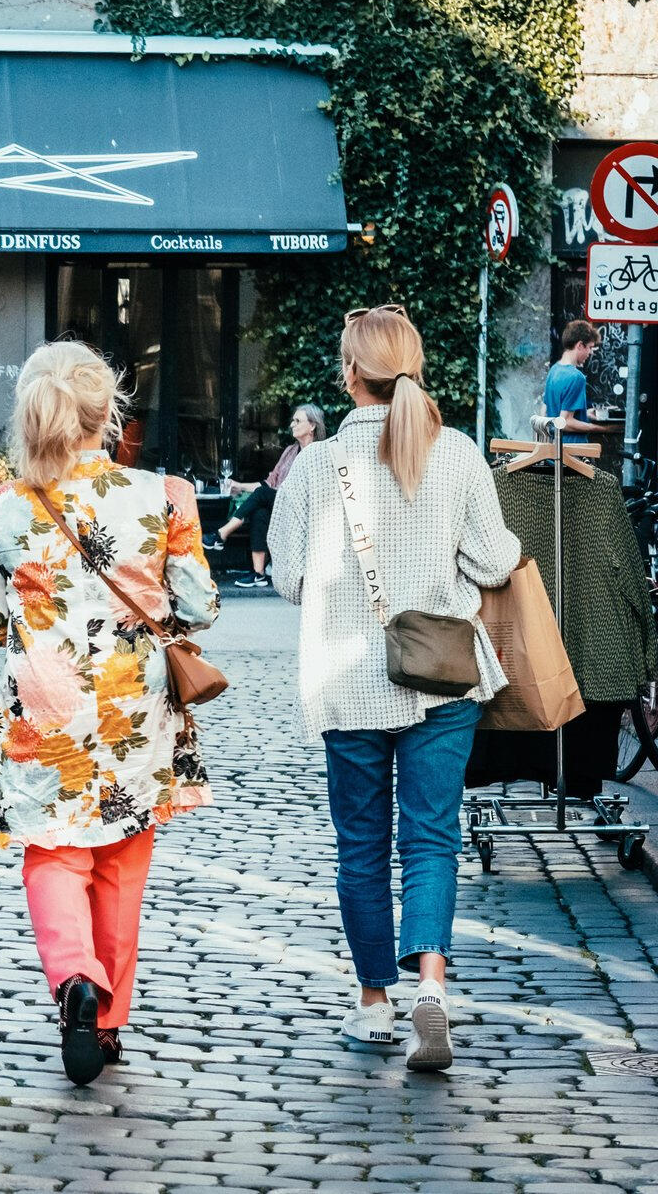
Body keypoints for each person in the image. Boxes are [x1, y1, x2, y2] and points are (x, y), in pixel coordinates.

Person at [269, 304, 519, 1073]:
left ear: (350, 373)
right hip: (443, 676)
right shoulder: (457, 453)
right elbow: (496, 560)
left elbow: (287, 576)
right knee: (433, 836)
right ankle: (433, 989)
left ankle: (374, 1002)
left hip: (349, 682)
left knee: (362, 845)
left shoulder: (312, 466)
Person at [0, 340, 218, 1085]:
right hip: (134, 703)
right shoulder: (163, 494)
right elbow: (199, 605)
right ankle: (106, 1021)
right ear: (110, 412)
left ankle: (74, 975)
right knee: (123, 857)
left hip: (43, 704)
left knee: (54, 850)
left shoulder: (5, 509)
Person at [202, 405, 327, 588]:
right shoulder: (290, 452)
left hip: (304, 510)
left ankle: (222, 534)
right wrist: (239, 486)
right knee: (260, 511)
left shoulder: (320, 453)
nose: (292, 425)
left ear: (312, 426)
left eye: (297, 421)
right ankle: (258, 574)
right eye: (292, 420)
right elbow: (268, 485)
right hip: (281, 506)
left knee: (263, 497)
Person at [544, 320, 606, 436]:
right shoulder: (576, 377)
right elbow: (565, 422)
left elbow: (547, 412)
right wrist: (604, 429)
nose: (591, 353)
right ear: (580, 345)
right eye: (590, 347)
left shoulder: (553, 371)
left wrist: (584, 413)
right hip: (573, 447)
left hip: (555, 445)